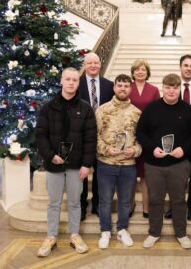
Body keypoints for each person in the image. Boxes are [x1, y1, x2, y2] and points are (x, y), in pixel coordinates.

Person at [36, 67, 97, 257]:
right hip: (54, 164)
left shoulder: (85, 108)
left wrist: (87, 164)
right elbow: (40, 135)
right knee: (53, 202)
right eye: (68, 79)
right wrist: (50, 155)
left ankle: (75, 235)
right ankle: (51, 236)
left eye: (75, 80)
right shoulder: (48, 107)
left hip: (76, 166)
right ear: (61, 81)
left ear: (78, 83)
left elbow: (90, 138)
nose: (71, 83)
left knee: (75, 202)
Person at [136, 73, 191, 249]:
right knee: (155, 200)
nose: (171, 91)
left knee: (178, 200)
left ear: (180, 89)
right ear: (162, 88)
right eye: (168, 87)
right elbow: (141, 132)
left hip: (179, 164)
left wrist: (183, 149)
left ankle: (181, 233)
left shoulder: (188, 109)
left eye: (175, 87)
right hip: (154, 164)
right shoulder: (151, 108)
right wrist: (151, 148)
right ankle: (154, 232)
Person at [96, 74, 142, 249]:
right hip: (106, 162)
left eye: (126, 86)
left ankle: (122, 229)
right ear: (114, 88)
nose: (123, 89)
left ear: (130, 88)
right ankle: (105, 231)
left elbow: (141, 139)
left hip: (128, 165)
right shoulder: (102, 110)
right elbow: (96, 137)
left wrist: (135, 150)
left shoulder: (137, 113)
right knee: (105, 200)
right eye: (119, 85)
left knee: (125, 201)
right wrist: (106, 149)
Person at [164, 55, 191, 221]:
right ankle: (175, 207)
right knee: (175, 177)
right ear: (180, 67)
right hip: (175, 142)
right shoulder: (173, 88)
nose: (189, 68)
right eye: (186, 65)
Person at [79, 52, 114, 221]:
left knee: (101, 173)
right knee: (83, 173)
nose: (93, 66)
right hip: (82, 137)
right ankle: (82, 205)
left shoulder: (109, 85)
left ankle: (98, 204)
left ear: (100, 64)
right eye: (89, 63)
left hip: (103, 137)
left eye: (96, 62)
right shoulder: (76, 84)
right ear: (84, 65)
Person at [129, 59, 160, 219]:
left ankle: (146, 207)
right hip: (129, 136)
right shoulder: (128, 87)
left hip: (147, 137)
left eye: (143, 69)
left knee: (145, 175)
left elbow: (157, 113)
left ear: (147, 72)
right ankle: (130, 205)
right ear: (133, 72)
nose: (140, 72)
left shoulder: (154, 90)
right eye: (137, 69)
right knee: (130, 174)